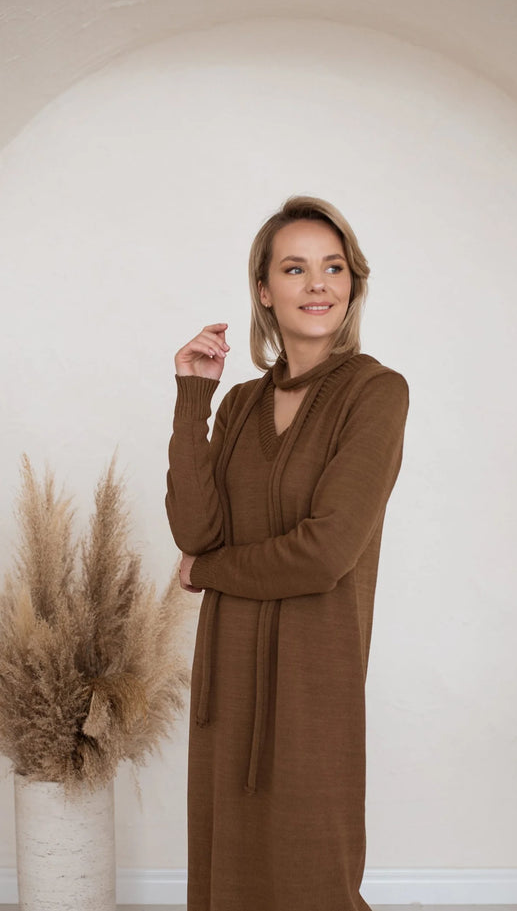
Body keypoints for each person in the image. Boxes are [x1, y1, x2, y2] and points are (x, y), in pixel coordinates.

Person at [165, 194, 410, 911]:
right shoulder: (239, 403)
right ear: (264, 291)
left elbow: (324, 553)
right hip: (226, 673)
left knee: (311, 870)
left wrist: (209, 574)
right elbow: (194, 529)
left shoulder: (374, 393)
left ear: (352, 283)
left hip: (313, 676)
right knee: (227, 870)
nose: (318, 284)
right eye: (295, 268)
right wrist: (192, 399)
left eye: (333, 267)